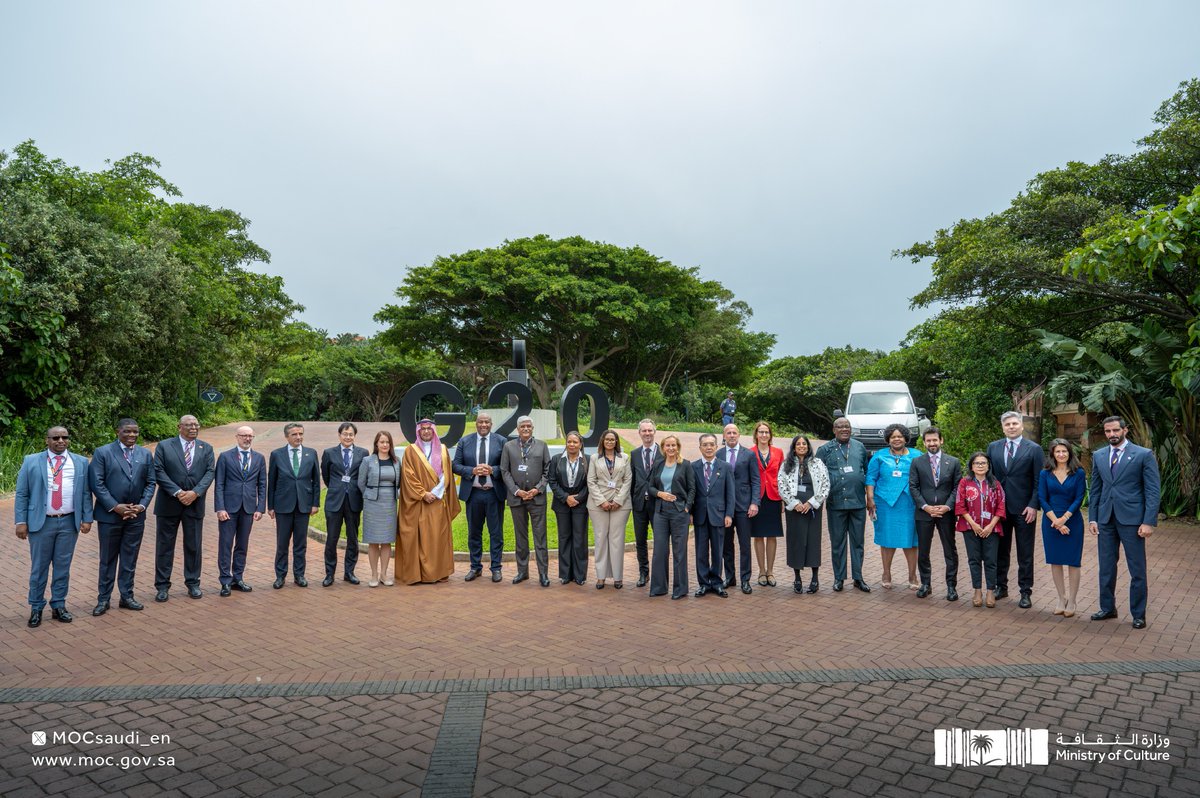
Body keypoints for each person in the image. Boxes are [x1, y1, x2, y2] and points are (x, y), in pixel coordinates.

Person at [14, 426, 92, 627]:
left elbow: (85, 493)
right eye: (55, 437)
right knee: (39, 567)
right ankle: (36, 607)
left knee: (62, 567)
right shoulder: (31, 461)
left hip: (69, 521)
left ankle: (59, 605)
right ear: (46, 440)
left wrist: (87, 518)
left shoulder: (81, 462)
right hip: (41, 522)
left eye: (64, 437)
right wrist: (21, 522)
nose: (60, 441)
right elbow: (22, 493)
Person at [1089, 416, 1159, 630]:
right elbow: (1096, 489)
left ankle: (1138, 614)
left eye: (1115, 430)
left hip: (1132, 521)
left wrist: (1148, 521)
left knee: (1137, 569)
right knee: (1106, 568)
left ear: (1125, 430)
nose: (1112, 434)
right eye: (1108, 431)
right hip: (1106, 519)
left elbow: (1152, 491)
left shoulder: (1143, 455)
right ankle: (1108, 608)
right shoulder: (1099, 455)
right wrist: (1093, 517)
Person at [89, 418, 156, 615]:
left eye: (135, 432)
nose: (132, 435)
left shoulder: (145, 453)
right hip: (110, 516)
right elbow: (97, 484)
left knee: (130, 558)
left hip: (135, 516)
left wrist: (142, 506)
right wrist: (115, 506)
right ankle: (104, 599)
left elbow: (151, 482)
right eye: (127, 431)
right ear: (118, 431)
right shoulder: (103, 452)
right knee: (107, 559)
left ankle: (127, 596)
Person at [153, 415, 215, 601]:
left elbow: (210, 472)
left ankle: (193, 583)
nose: (193, 428)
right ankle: (162, 586)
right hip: (169, 503)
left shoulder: (207, 448)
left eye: (196, 424)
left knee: (193, 545)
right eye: (189, 425)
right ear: (179, 427)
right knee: (165, 546)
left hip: (194, 504)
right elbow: (158, 471)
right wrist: (178, 492)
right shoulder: (164, 446)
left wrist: (195, 493)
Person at [986, 411, 1042, 608]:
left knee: (1025, 553)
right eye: (1007, 424)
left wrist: (1034, 505)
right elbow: (989, 477)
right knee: (1001, 550)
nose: (1011, 427)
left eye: (1014, 423)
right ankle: (1001, 586)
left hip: (1024, 509)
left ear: (1021, 425)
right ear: (1003, 427)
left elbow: (1038, 480)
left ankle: (1025, 591)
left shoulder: (1034, 449)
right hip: (999, 510)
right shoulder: (993, 447)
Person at [398, 418, 460, 584]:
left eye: (429, 429)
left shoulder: (443, 449)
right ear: (418, 431)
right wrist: (423, 493)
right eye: (423, 429)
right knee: (419, 538)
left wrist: (436, 492)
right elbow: (408, 476)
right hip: (419, 502)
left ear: (433, 431)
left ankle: (438, 573)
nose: (426, 431)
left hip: (438, 501)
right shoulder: (411, 451)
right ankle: (419, 574)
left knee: (437, 538)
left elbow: (447, 474)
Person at [816, 418, 871, 592]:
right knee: (838, 543)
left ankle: (858, 577)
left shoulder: (860, 447)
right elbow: (817, 475)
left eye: (847, 426)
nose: (844, 429)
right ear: (834, 430)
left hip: (857, 503)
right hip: (836, 503)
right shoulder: (824, 450)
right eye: (840, 427)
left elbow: (866, 471)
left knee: (858, 542)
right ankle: (839, 578)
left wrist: (869, 497)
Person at [452, 412, 508, 582]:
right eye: (480, 422)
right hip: (474, 494)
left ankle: (496, 568)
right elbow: (455, 465)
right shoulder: (465, 441)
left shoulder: (501, 441)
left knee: (495, 533)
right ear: (476, 423)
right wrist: (472, 471)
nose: (483, 425)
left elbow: (506, 466)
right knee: (474, 533)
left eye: (487, 422)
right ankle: (475, 567)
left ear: (491, 424)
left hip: (494, 493)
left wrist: (493, 470)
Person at [908, 427, 962, 601]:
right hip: (924, 513)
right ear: (924, 442)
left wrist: (947, 507)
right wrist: (925, 506)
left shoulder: (953, 462)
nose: (932, 443)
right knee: (923, 550)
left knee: (950, 550)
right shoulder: (917, 462)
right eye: (928, 440)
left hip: (946, 513)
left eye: (935, 440)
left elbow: (957, 487)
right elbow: (913, 487)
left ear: (941, 440)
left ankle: (951, 587)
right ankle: (925, 584)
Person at [212, 425, 265, 597]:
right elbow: (219, 484)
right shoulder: (225, 457)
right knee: (226, 544)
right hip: (229, 508)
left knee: (242, 545)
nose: (247, 439)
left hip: (248, 508)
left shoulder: (259, 458)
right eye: (244, 436)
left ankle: (238, 578)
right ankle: (225, 581)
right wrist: (220, 507)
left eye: (250, 436)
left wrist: (260, 507)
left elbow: (262, 485)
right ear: (237, 437)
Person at [267, 422, 321, 589]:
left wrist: (315, 503)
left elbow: (316, 482)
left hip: (303, 505)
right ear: (286, 436)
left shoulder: (311, 454)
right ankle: (280, 576)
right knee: (282, 543)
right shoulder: (277, 454)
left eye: (300, 434)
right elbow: (272, 481)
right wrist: (271, 506)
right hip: (283, 505)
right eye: (294, 434)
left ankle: (299, 575)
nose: (298, 437)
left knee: (300, 543)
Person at [866, 424, 919, 590]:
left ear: (905, 438)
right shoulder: (879, 456)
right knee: (887, 539)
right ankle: (886, 573)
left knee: (910, 539)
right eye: (893, 437)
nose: (897, 439)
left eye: (900, 436)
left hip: (909, 503)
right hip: (884, 503)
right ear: (888, 439)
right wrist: (870, 498)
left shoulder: (917, 455)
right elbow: (871, 478)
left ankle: (912, 575)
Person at [501, 416, 552, 586]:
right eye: (522, 426)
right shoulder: (508, 447)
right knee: (520, 537)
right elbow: (504, 471)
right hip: (517, 499)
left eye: (528, 426)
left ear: (532, 428)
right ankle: (522, 572)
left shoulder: (542, 446)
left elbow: (548, 470)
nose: (525, 428)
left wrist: (538, 489)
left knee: (540, 538)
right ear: (517, 429)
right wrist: (517, 491)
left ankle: (543, 574)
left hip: (537, 499)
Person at [1038, 439, 1087, 618]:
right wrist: (1056, 521)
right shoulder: (1045, 473)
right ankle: (1061, 598)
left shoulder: (1078, 473)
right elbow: (1042, 498)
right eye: (1057, 451)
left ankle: (1072, 600)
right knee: (1055, 560)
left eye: (1064, 451)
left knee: (1073, 562)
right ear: (1052, 454)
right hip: (1050, 521)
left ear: (1069, 453)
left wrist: (1064, 519)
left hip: (1072, 520)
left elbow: (1079, 497)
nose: (1061, 455)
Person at [778, 435, 829, 594]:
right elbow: (781, 485)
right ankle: (797, 578)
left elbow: (825, 485)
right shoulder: (786, 464)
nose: (801, 446)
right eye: (798, 444)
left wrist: (811, 503)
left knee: (813, 541)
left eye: (804, 444)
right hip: (795, 509)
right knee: (796, 541)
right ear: (794, 447)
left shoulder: (818, 463)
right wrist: (794, 504)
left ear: (808, 447)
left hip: (813, 508)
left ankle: (815, 578)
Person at [955, 452, 1005, 607]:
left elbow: (1001, 506)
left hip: (992, 528)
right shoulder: (965, 482)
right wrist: (974, 524)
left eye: (983, 463)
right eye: (977, 463)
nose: (980, 466)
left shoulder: (995, 483)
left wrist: (990, 525)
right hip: (970, 527)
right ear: (971, 466)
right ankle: (977, 590)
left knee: (991, 561)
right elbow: (960, 505)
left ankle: (991, 591)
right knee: (974, 560)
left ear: (988, 465)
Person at [648, 435, 695, 599]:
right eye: (667, 445)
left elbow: (692, 489)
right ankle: (659, 587)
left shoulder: (686, 465)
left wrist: (687, 508)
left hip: (679, 512)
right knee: (660, 550)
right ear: (663, 447)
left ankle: (680, 589)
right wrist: (659, 493)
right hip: (660, 512)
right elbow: (650, 487)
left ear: (678, 447)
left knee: (679, 551)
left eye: (673, 445)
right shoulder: (658, 464)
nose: (670, 448)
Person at [320, 422, 368, 586]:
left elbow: (363, 475)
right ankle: (329, 574)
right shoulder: (329, 453)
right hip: (335, 501)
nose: (348, 437)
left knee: (353, 538)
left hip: (354, 500)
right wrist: (337, 487)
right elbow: (326, 475)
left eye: (351, 434)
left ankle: (349, 572)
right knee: (331, 539)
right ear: (339, 435)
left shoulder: (363, 453)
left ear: (354, 436)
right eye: (345, 434)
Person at [587, 428, 632, 589]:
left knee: (617, 540)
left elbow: (628, 480)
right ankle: (601, 577)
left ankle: (618, 577)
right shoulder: (594, 458)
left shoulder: (625, 458)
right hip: (598, 504)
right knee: (600, 539)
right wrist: (602, 501)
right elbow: (591, 481)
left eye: (613, 440)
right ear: (602, 442)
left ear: (616, 442)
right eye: (607, 440)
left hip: (621, 505)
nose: (610, 442)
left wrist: (618, 500)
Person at [717, 423, 760, 594]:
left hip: (744, 506)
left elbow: (756, 480)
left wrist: (754, 502)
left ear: (739, 435)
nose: (732, 435)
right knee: (726, 545)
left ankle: (745, 579)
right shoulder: (718, 454)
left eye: (734, 432)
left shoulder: (749, 454)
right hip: (724, 507)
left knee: (744, 545)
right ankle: (730, 576)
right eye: (729, 433)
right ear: (724, 436)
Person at [691, 433, 734, 598]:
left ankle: (716, 582)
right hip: (700, 516)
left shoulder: (725, 467)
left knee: (718, 550)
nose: (708, 447)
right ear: (700, 447)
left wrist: (729, 514)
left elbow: (730, 493)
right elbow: (691, 492)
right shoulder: (693, 467)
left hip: (719, 515)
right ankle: (703, 583)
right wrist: (691, 513)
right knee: (701, 551)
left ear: (716, 447)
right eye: (705, 445)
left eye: (711, 444)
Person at [357, 431, 401, 587]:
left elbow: (400, 483)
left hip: (389, 504)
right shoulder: (368, 461)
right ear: (376, 444)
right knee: (374, 541)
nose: (385, 445)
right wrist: (369, 495)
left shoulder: (396, 462)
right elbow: (361, 483)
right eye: (382, 442)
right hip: (372, 504)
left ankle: (384, 574)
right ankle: (374, 575)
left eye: (387, 442)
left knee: (387, 541)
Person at [549, 431, 591, 585]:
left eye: (575, 442)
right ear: (566, 443)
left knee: (580, 539)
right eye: (569, 442)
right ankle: (565, 574)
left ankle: (580, 575)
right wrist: (566, 497)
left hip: (581, 505)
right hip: (562, 504)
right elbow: (552, 481)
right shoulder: (556, 460)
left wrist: (578, 498)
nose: (572, 445)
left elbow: (590, 483)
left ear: (580, 444)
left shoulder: (587, 460)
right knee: (564, 538)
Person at [628, 418, 663, 587]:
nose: (647, 433)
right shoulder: (634, 454)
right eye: (644, 431)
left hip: (658, 505)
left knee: (660, 540)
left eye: (650, 430)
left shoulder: (663, 453)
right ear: (639, 433)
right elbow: (632, 480)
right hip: (639, 505)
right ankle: (644, 573)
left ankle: (658, 574)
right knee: (640, 541)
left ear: (654, 432)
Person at [748, 421, 784, 586]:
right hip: (756, 498)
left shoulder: (778, 452)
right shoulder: (749, 453)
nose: (763, 435)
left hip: (774, 497)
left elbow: (782, 476)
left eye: (766, 432)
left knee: (772, 535)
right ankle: (761, 572)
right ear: (756, 435)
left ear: (770, 435)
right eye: (760, 432)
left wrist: (783, 499)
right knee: (758, 535)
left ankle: (770, 571)